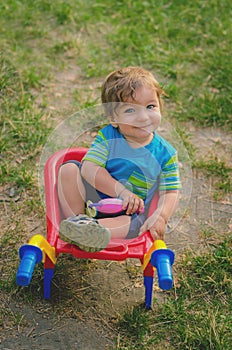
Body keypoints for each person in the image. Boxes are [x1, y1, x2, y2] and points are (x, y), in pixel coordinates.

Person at [58, 66, 181, 252]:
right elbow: (89, 168)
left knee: (132, 222)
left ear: (160, 107)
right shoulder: (108, 137)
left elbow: (170, 191)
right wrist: (121, 192)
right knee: (68, 169)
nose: (143, 117)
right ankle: (78, 223)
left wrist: (161, 216)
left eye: (150, 106)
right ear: (113, 118)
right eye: (130, 110)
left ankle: (96, 232)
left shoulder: (166, 153)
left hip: (128, 211)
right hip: (92, 199)